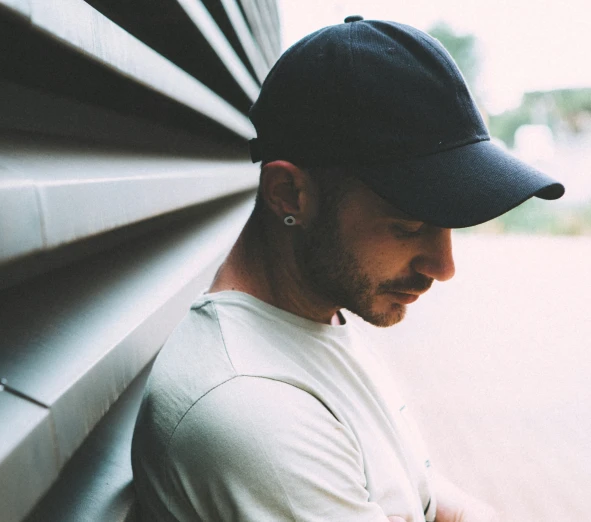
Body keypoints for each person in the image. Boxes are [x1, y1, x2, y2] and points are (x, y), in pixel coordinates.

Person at [131, 16, 564, 522]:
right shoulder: (254, 408)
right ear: (289, 194)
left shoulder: (317, 318)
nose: (443, 267)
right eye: (408, 225)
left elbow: (425, 497)